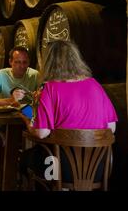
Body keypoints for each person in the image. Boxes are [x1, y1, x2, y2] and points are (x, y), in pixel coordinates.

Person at [19, 40, 118, 184]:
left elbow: (41, 133)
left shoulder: (50, 89)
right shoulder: (95, 85)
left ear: (48, 63)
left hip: (59, 170)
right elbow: (111, 128)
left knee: (25, 160)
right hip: (99, 169)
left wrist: (26, 119)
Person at [0, 46, 40, 165]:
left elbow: (44, 102)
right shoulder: (0, 75)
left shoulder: (35, 75)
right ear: (10, 62)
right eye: (18, 62)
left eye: (25, 62)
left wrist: (37, 98)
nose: (22, 66)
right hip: (4, 122)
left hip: (28, 120)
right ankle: (6, 169)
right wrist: (10, 101)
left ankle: (21, 172)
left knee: (39, 145)